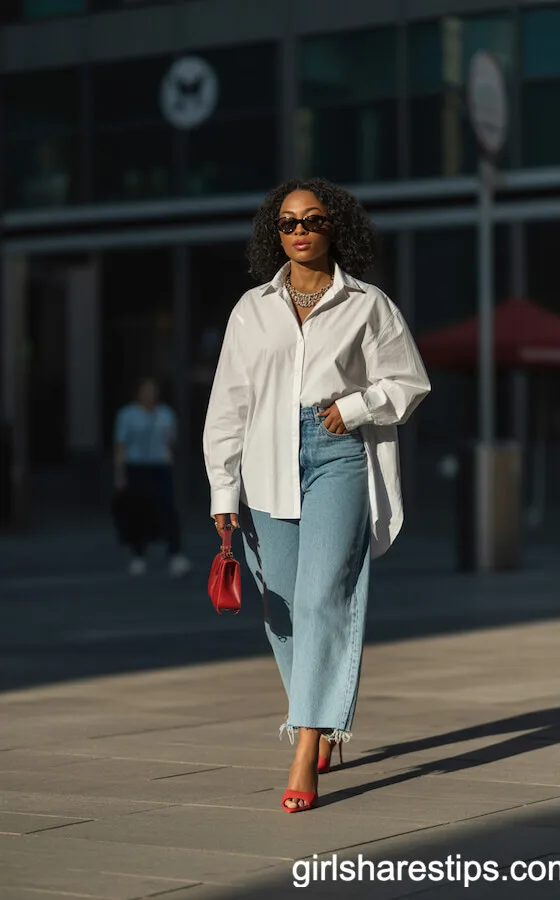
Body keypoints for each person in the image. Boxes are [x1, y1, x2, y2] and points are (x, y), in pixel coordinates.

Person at [202, 178, 431, 813]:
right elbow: (228, 404)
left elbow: (409, 383)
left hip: (338, 456)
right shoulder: (252, 309)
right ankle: (321, 716)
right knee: (281, 606)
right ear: (274, 234)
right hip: (264, 461)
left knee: (322, 594)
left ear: (337, 227)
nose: (298, 231)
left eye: (312, 219)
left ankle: (306, 743)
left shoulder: (369, 304)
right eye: (286, 223)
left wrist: (356, 406)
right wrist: (224, 489)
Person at [113, 377, 192, 577]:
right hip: (137, 466)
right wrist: (119, 474)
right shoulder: (128, 415)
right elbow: (121, 445)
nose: (149, 396)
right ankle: (138, 555)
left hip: (160, 466)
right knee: (137, 512)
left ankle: (175, 554)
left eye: (152, 391)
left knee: (167, 508)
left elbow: (172, 440)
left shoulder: (166, 414)